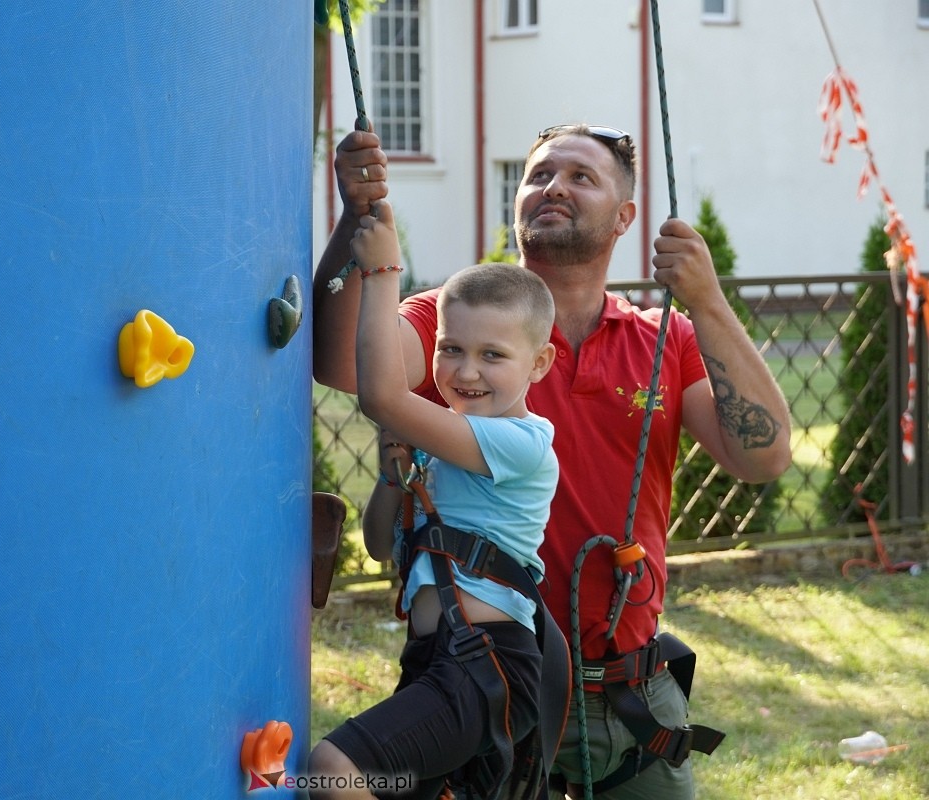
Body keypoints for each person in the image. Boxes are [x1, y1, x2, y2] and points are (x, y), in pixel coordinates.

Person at [312, 124, 792, 799]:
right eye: (538, 175)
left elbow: (763, 455)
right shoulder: (460, 326)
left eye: (580, 176)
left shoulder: (663, 340)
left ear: (626, 216)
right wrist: (355, 223)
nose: (553, 187)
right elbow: (340, 363)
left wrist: (707, 300)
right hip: (489, 679)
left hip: (626, 696)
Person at [307, 198, 561, 799]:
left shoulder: (524, 443)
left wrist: (382, 275)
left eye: (492, 355)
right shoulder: (440, 448)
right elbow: (377, 545)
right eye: (451, 349)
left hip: (489, 665)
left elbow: (383, 398)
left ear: (540, 363)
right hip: (432, 661)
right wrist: (395, 480)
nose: (465, 370)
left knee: (331, 768)